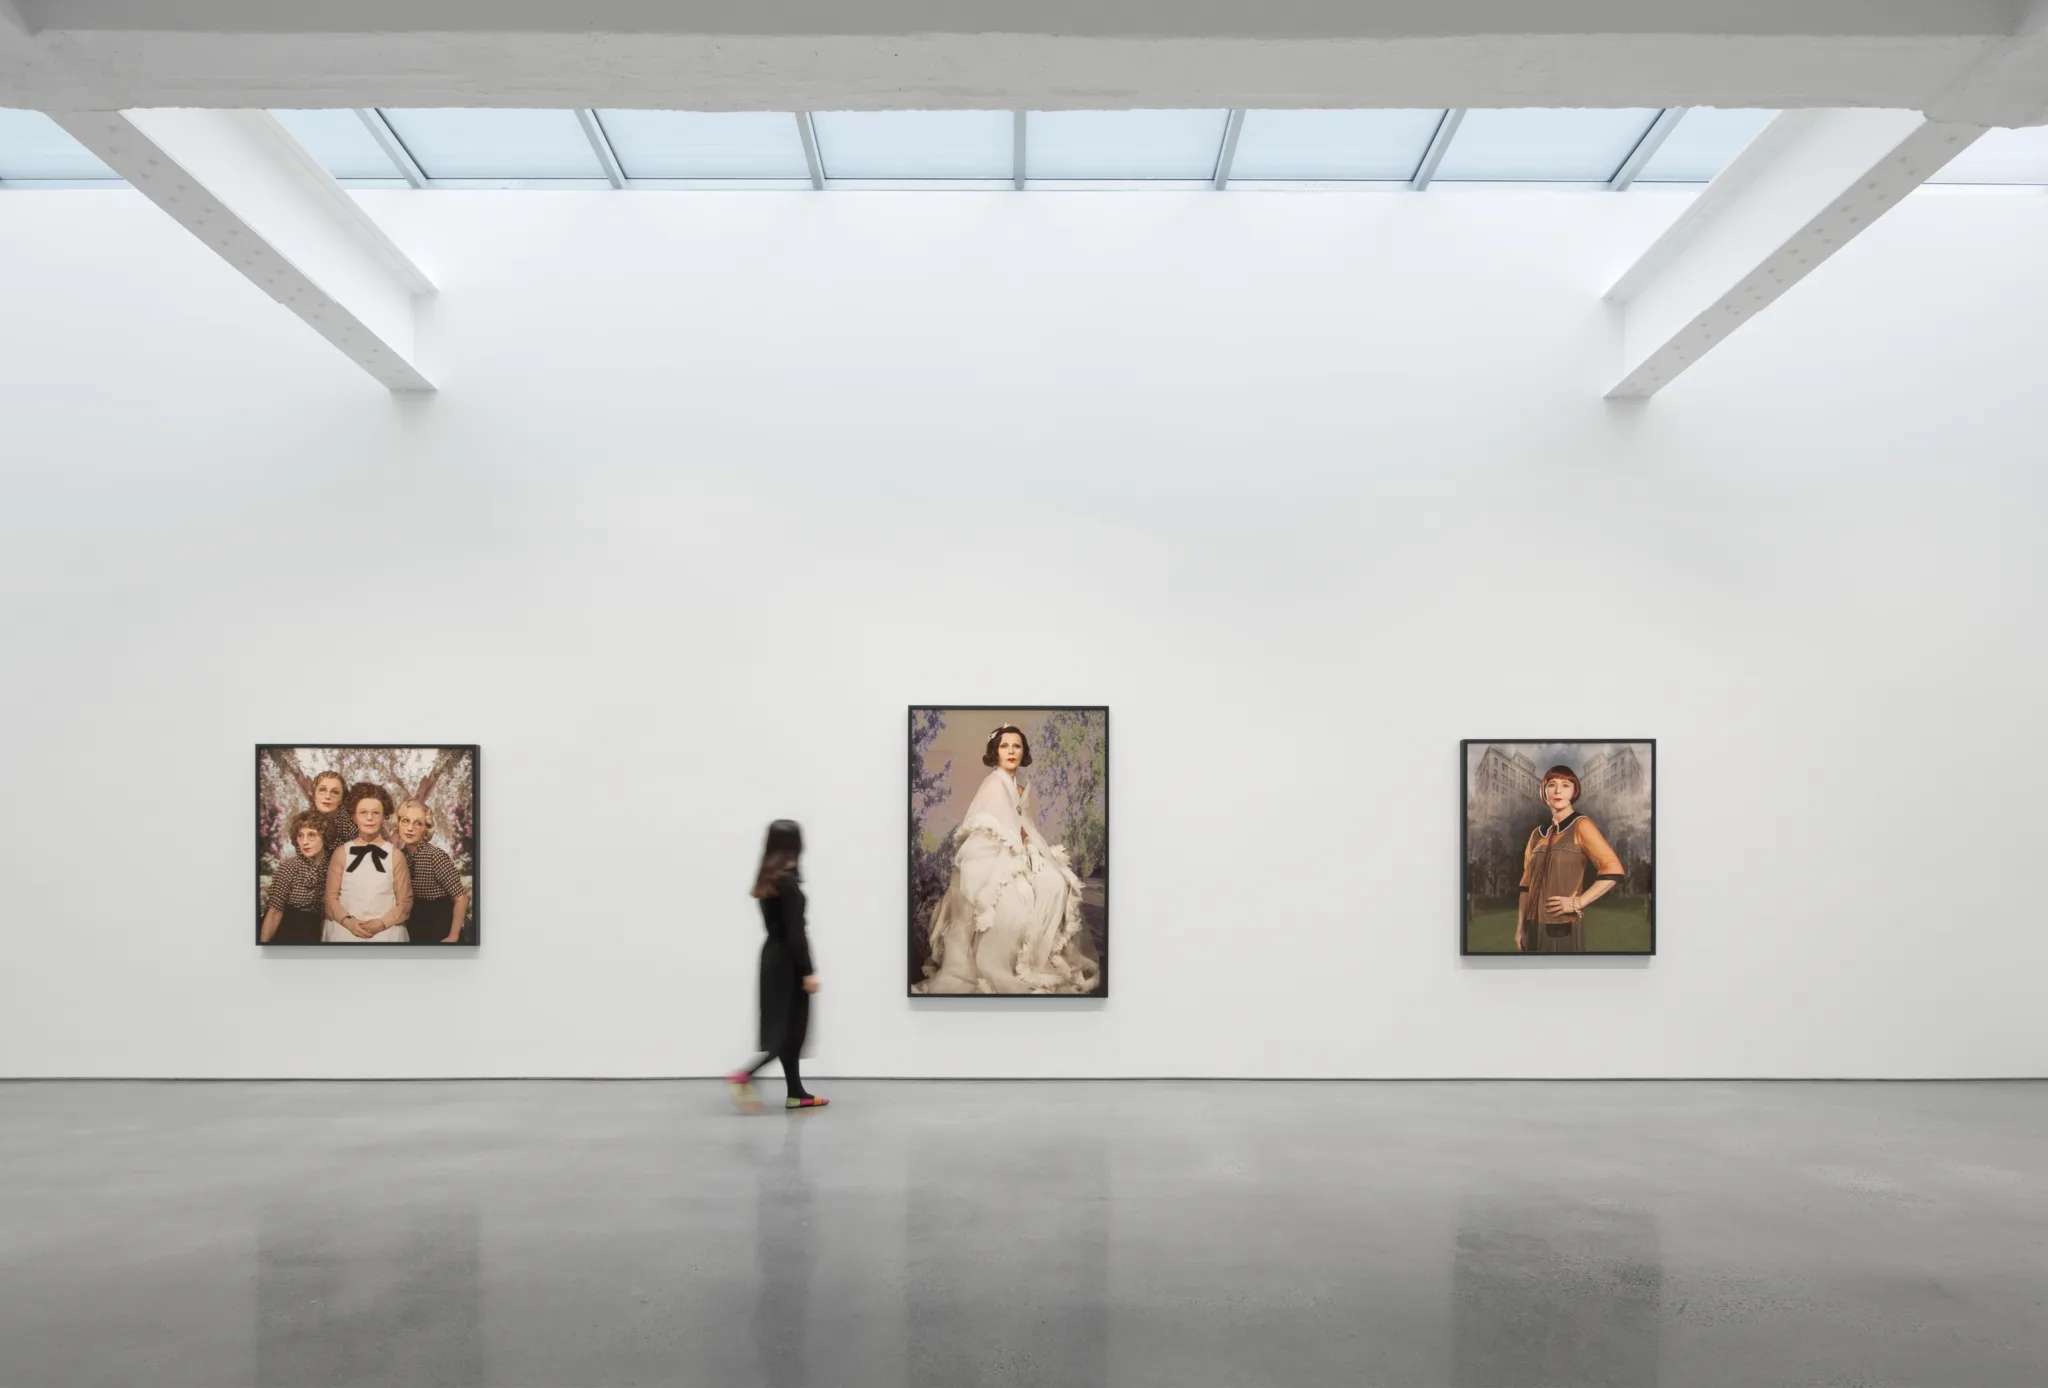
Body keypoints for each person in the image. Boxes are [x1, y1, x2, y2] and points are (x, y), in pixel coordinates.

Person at [914, 725, 1100, 995]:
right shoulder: (993, 783)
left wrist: (1034, 851)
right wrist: (1017, 850)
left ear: (1023, 752)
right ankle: (1007, 964)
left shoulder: (1020, 787)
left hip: (1020, 851)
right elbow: (989, 828)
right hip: (994, 855)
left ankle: (1040, 955)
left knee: (1055, 882)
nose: (1011, 751)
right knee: (1012, 904)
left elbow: (1026, 827)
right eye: (1004, 746)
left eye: (1017, 746)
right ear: (995, 752)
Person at [727, 820, 827, 1112]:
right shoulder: (786, 882)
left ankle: (796, 1092)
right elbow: (796, 932)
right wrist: (808, 971)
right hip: (788, 961)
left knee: (786, 1028)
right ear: (794, 844)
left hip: (772, 957)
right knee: (790, 1031)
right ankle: (745, 1076)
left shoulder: (768, 880)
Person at [1516, 765, 1625, 954]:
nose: (1558, 791)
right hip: (1532, 927)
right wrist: (1520, 928)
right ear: (1544, 791)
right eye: (1552, 785)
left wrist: (1578, 902)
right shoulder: (1536, 834)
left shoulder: (1581, 825)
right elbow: (1526, 885)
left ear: (1574, 791)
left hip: (1562, 926)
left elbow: (1613, 869)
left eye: (1565, 785)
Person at [322, 782, 412, 944]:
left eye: (375, 813)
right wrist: (348, 922)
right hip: (344, 932)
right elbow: (330, 899)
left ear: (383, 817)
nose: (369, 818)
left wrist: (381, 924)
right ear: (354, 817)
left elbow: (405, 902)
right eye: (363, 813)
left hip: (386, 934)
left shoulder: (395, 855)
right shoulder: (341, 853)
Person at [394, 798, 470, 945]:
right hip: (413, 928)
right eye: (405, 821)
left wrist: (453, 936)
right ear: (398, 824)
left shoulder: (436, 856)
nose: (410, 828)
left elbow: (461, 899)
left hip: (439, 928)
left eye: (418, 823)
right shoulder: (398, 856)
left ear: (426, 829)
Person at [260, 810, 332, 945]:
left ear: (324, 836)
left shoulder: (332, 868)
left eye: (311, 835)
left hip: (315, 934)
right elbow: (274, 912)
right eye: (300, 836)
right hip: (286, 931)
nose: (304, 842)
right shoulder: (289, 867)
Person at [308, 771, 354, 866]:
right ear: (314, 796)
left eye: (335, 792)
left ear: (341, 799)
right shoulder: (304, 822)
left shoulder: (351, 826)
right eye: (322, 790)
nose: (327, 796)